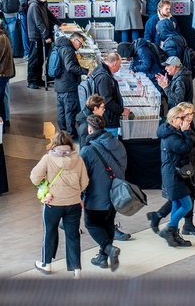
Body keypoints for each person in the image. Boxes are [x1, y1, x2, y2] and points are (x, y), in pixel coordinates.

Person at [31, 131, 89, 278]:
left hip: (53, 203)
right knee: (73, 235)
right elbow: (85, 182)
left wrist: (47, 186)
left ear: (54, 144)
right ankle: (77, 270)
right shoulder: (78, 159)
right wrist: (73, 192)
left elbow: (34, 178)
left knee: (49, 232)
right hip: (74, 203)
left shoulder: (48, 159)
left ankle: (46, 264)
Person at [148, 102, 195, 239]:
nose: (190, 117)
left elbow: (192, 142)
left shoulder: (184, 127)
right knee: (184, 201)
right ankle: (173, 228)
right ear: (175, 118)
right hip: (179, 172)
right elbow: (186, 149)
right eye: (186, 115)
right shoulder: (175, 133)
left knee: (181, 200)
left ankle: (172, 227)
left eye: (192, 114)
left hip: (186, 169)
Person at [79, 115, 126, 271]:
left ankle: (108, 248)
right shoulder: (117, 144)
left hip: (96, 196)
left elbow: (81, 176)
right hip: (116, 194)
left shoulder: (87, 150)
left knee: (91, 224)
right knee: (108, 224)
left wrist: (80, 196)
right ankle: (102, 257)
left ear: (90, 129)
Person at [157, 102, 195, 247]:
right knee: (186, 204)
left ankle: (173, 234)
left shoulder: (173, 131)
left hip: (177, 173)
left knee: (177, 204)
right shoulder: (171, 136)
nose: (184, 120)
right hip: (173, 175)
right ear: (173, 120)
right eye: (181, 118)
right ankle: (169, 229)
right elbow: (184, 149)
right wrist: (186, 132)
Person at [53, 32, 89, 137]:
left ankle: (63, 131)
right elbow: (70, 67)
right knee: (70, 110)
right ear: (74, 39)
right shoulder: (68, 50)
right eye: (80, 43)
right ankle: (71, 133)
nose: (80, 46)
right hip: (68, 85)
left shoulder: (60, 46)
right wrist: (85, 71)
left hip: (60, 85)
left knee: (61, 110)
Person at [90, 53, 126, 136]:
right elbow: (107, 101)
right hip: (108, 120)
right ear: (114, 64)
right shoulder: (104, 78)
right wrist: (122, 110)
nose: (120, 67)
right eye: (120, 65)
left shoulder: (100, 69)